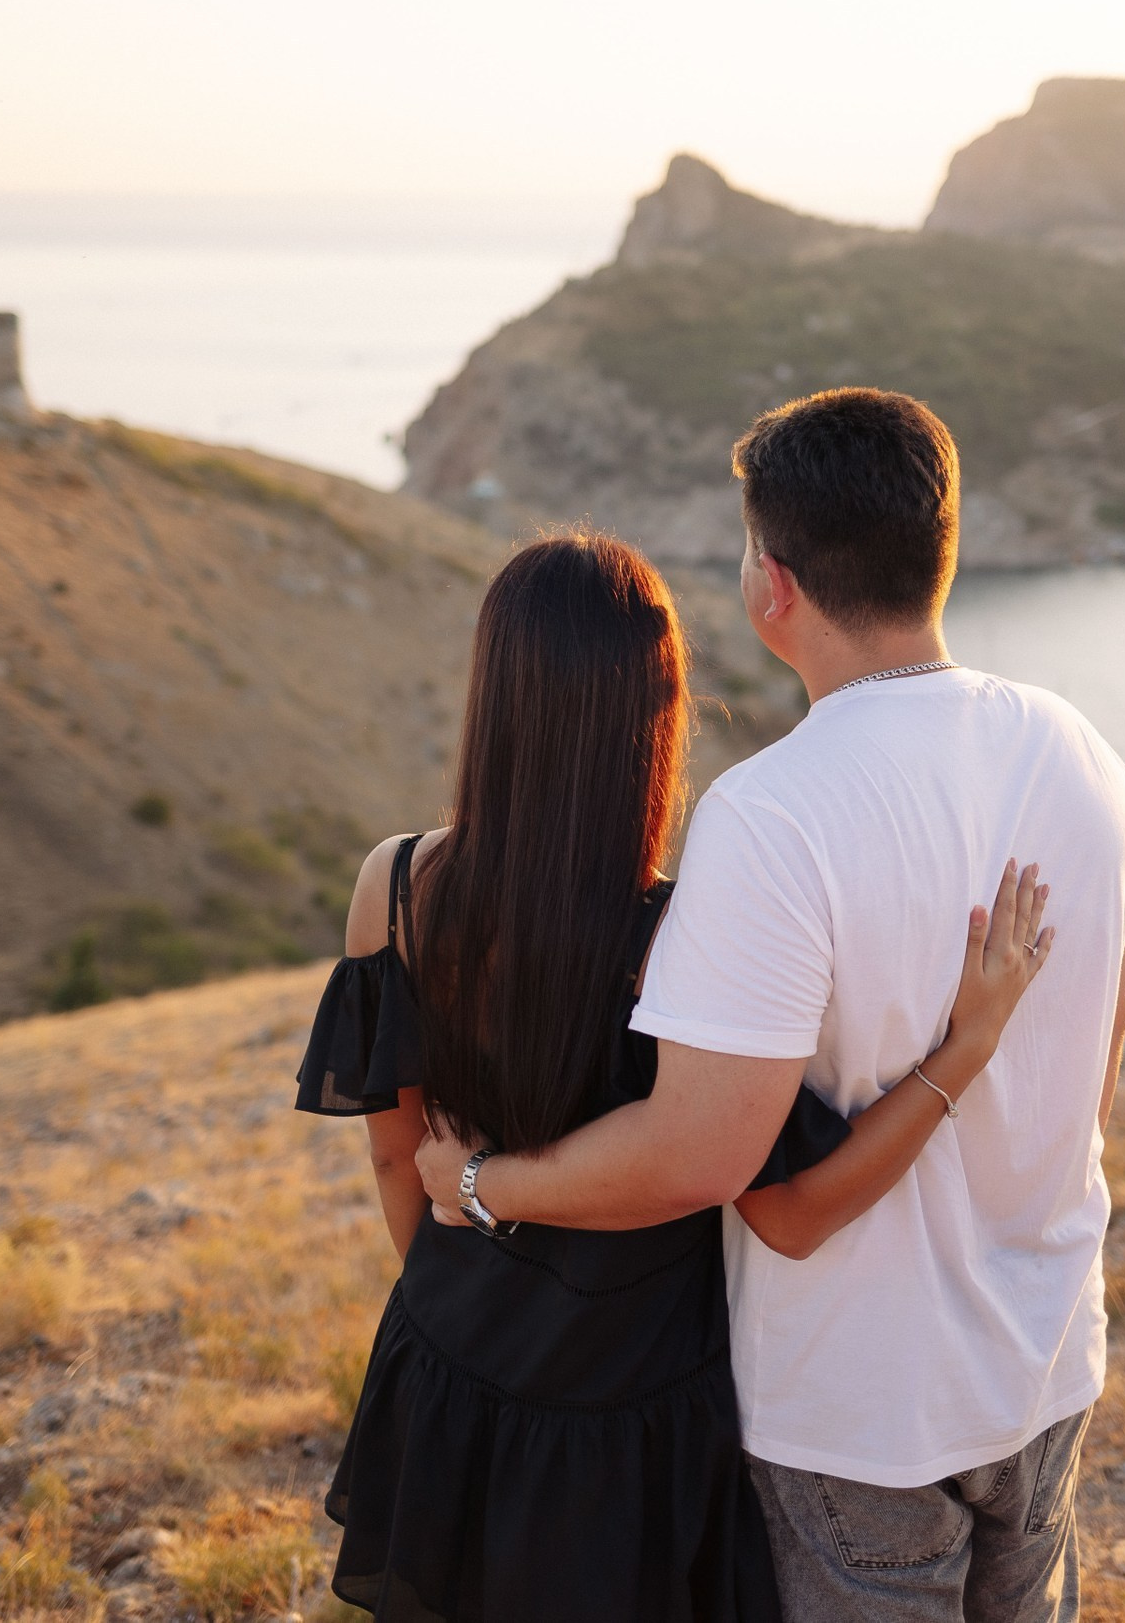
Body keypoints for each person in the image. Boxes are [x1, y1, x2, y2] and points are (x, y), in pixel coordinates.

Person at [417, 390, 1125, 1623]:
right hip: (1043, 1358)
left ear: (771, 580)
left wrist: (484, 1186)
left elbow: (706, 1153)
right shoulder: (1081, 751)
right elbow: (1106, 1043)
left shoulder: (772, 813)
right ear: (942, 551)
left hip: (856, 1405)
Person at [295, 530, 1057, 1622]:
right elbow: (800, 1200)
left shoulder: (398, 884)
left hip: (449, 1367)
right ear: (655, 715)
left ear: (496, 693)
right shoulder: (682, 936)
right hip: (634, 1417)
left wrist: (473, 1304)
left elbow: (391, 1152)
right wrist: (963, 1052)